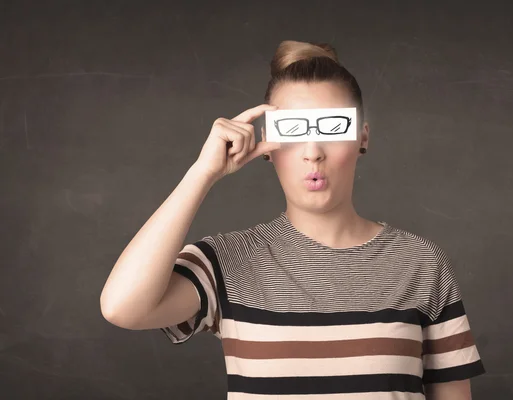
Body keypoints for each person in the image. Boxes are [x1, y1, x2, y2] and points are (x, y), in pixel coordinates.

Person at [100, 40, 485, 399]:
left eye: (333, 127)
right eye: (294, 130)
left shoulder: (421, 263)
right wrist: (202, 173)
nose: (312, 152)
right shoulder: (227, 261)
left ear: (362, 138)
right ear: (267, 146)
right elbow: (122, 308)